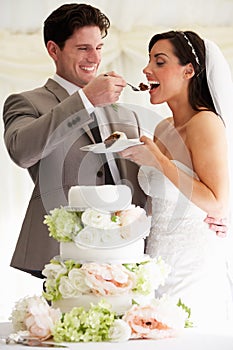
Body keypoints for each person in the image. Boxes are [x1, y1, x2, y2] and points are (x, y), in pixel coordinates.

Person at [2, 3, 147, 279]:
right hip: (60, 254)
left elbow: (139, 183)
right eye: (83, 48)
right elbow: (21, 152)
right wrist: (85, 100)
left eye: (99, 47)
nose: (94, 57)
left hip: (124, 254)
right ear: (53, 49)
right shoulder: (26, 102)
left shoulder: (126, 114)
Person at [120, 30, 233, 328]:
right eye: (148, 61)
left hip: (193, 264)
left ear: (188, 71)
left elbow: (218, 204)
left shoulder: (205, 123)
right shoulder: (164, 127)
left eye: (159, 62)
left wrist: (158, 159)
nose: (146, 70)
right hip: (155, 261)